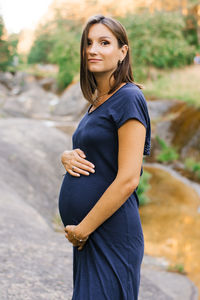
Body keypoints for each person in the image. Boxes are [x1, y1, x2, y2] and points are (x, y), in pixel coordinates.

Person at [58, 14, 151, 300]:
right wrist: (66, 155)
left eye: (104, 42)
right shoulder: (98, 101)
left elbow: (128, 179)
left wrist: (83, 229)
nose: (92, 50)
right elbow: (95, 153)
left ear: (123, 52)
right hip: (90, 234)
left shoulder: (129, 98)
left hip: (109, 233)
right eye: (88, 43)